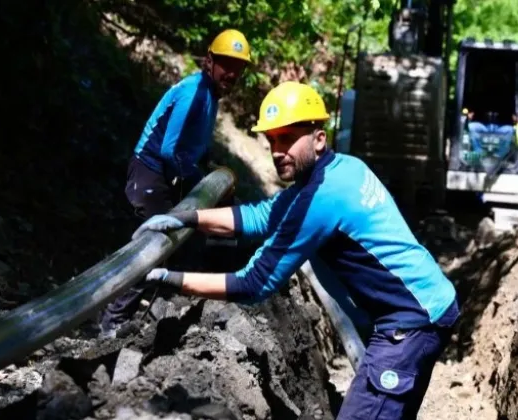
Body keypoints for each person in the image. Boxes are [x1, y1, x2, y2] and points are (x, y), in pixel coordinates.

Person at [131, 81, 460, 419]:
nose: (277, 150)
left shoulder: (321, 199)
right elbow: (261, 217)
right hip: (425, 304)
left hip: (411, 321)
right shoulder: (343, 168)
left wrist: (168, 278)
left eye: (287, 138)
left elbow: (253, 283)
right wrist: (185, 218)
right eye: (271, 139)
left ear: (318, 139)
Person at [99, 29, 252, 338]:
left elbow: (196, 145)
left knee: (173, 246)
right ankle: (111, 322)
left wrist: (211, 171)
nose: (232, 73)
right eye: (226, 64)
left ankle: (156, 311)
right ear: (209, 61)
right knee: (154, 247)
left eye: (239, 68)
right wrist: (198, 181)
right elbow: (171, 148)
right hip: (150, 172)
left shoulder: (210, 96)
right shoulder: (194, 92)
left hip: (165, 173)